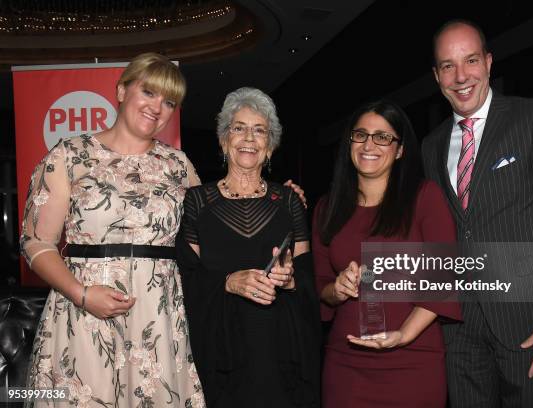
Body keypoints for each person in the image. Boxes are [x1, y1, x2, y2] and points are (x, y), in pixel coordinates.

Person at [421, 20, 533, 407]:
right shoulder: (430, 148)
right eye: (448, 65)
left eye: (471, 60)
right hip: (459, 330)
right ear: (436, 76)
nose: (461, 76)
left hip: (529, 325)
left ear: (489, 62)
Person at [20, 53, 205, 406]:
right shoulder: (69, 155)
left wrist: (266, 198)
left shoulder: (178, 165)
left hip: (158, 321)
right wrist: (82, 294)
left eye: (168, 101)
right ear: (121, 90)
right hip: (81, 312)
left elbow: (209, 232)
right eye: (148, 92)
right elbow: (35, 242)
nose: (157, 107)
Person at [176, 87, 320, 408]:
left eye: (259, 131)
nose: (249, 138)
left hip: (279, 347)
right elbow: (185, 279)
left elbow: (311, 278)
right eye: (239, 128)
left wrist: (291, 279)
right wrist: (228, 282)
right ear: (224, 139)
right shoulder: (197, 201)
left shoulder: (288, 201)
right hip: (221, 347)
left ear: (270, 146)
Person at [312, 100, 461, 408]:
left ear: (400, 149)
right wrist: (336, 289)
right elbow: (320, 287)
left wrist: (403, 335)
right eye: (361, 135)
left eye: (383, 137)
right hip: (346, 364)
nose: (369, 144)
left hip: (412, 360)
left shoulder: (425, 198)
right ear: (349, 142)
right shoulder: (327, 208)